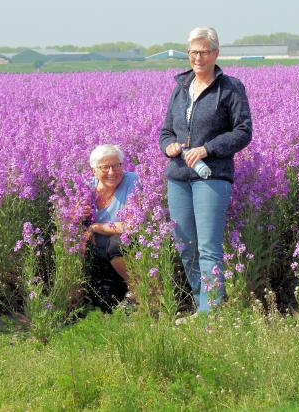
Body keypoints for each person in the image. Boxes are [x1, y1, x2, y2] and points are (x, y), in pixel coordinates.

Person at [159, 27, 252, 315]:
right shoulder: (180, 87)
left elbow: (243, 132)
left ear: (215, 53)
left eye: (203, 51)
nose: (197, 57)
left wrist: (207, 149)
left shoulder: (230, 87)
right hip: (178, 177)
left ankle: (209, 316)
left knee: (209, 247)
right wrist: (169, 147)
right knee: (185, 245)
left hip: (211, 176)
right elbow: (165, 131)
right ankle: (205, 303)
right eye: (192, 52)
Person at [81, 144, 139, 310]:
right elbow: (69, 221)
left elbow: (130, 225)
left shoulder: (131, 181)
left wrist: (95, 227)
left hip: (126, 253)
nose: (112, 172)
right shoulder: (86, 186)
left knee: (117, 242)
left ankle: (137, 291)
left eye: (116, 166)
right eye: (105, 167)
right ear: (94, 171)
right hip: (99, 256)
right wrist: (76, 214)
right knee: (104, 304)